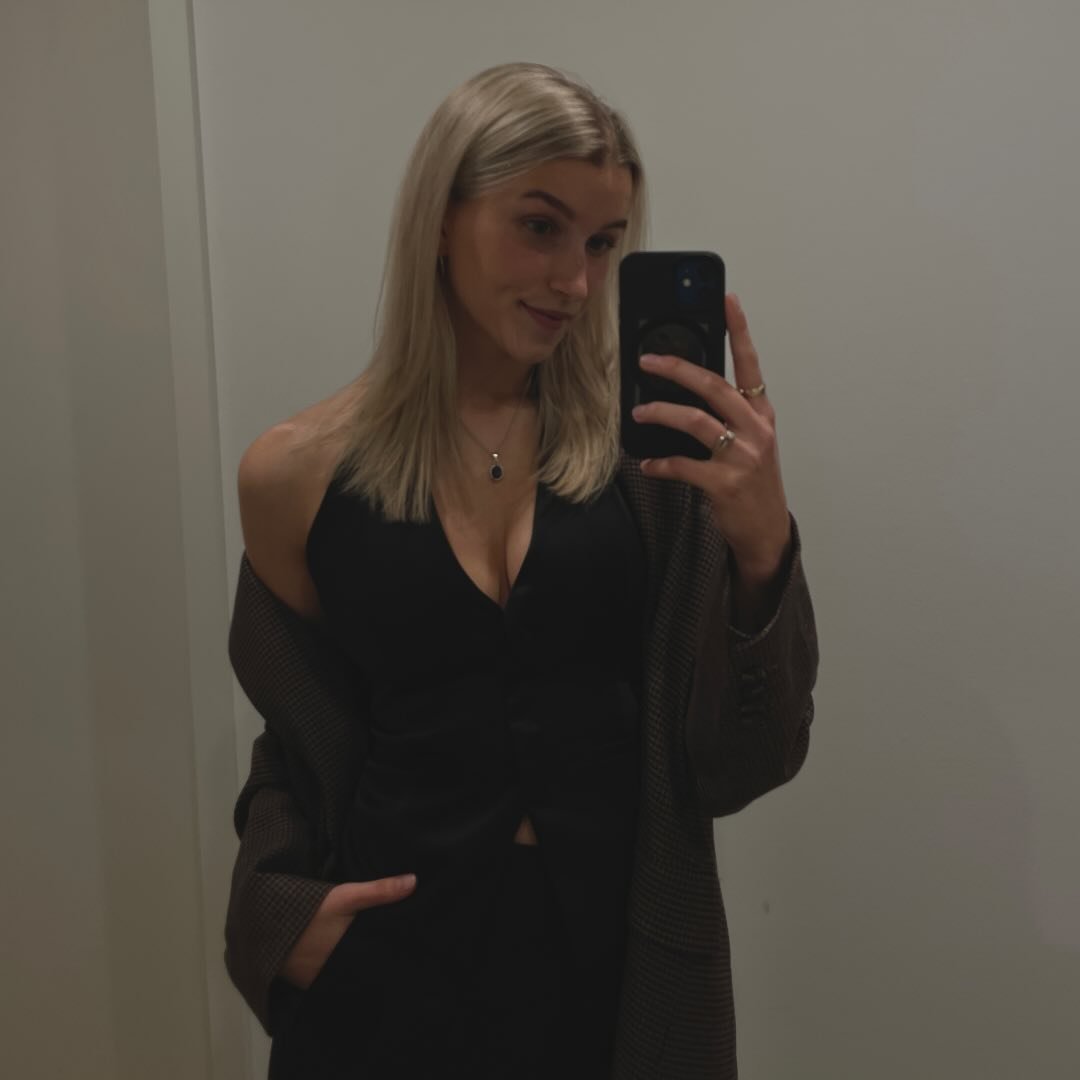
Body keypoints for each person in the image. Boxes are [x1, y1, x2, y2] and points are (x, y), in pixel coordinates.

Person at [224, 61, 819, 1079]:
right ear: (440, 219)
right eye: (540, 227)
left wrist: (763, 549)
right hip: (383, 974)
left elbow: (745, 761)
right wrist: (283, 918)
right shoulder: (296, 474)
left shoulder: (653, 466)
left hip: (616, 976)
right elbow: (297, 741)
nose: (575, 283)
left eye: (602, 243)